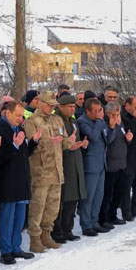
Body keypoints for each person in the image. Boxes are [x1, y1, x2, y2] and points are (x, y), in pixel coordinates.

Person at [24, 91, 78, 253]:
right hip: (41, 172)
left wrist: (70, 142)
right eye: (48, 104)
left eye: (53, 105)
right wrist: (48, 142)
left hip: (57, 171)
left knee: (52, 208)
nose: (51, 108)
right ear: (39, 103)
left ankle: (46, 235)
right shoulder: (31, 122)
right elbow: (30, 147)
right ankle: (34, 239)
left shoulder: (57, 120)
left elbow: (63, 143)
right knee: (38, 207)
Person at [0, 101, 41, 264]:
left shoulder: (19, 128)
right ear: (7, 113)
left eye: (22, 115)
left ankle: (16, 247)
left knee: (20, 218)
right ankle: (5, 251)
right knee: (7, 219)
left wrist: (32, 142)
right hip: (8, 181)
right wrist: (14, 145)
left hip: (21, 179)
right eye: (18, 115)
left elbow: (24, 153)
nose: (21, 119)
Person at [51, 94, 88, 243]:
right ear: (60, 106)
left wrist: (81, 145)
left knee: (72, 199)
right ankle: (57, 231)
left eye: (74, 106)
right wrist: (69, 146)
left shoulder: (72, 121)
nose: (73, 109)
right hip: (63, 163)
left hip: (75, 161)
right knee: (61, 200)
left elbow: (74, 140)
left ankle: (68, 229)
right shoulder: (57, 121)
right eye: (69, 107)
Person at [77, 98, 110, 236]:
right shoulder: (82, 122)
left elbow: (107, 138)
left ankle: (95, 222)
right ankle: (86, 224)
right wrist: (100, 122)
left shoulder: (99, 122)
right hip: (90, 164)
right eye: (95, 111)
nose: (98, 113)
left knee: (98, 195)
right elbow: (93, 137)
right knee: (88, 196)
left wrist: (110, 127)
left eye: (99, 110)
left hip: (101, 162)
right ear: (88, 110)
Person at [99, 102, 129, 228]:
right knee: (108, 194)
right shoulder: (105, 124)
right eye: (113, 114)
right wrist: (112, 126)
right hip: (110, 165)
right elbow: (108, 141)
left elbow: (123, 139)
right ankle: (103, 218)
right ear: (107, 113)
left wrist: (129, 138)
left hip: (121, 163)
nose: (116, 117)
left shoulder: (120, 123)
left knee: (118, 193)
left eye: (117, 114)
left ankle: (113, 215)